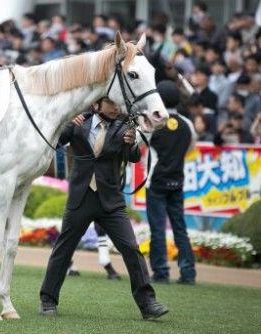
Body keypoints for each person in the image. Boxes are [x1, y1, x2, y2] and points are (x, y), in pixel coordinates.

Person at [40, 98, 168, 320]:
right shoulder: (79, 121)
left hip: (111, 202)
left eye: (118, 103)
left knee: (130, 247)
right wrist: (65, 122)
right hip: (80, 198)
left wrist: (131, 143)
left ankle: (148, 303)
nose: (116, 106)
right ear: (96, 104)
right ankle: (48, 300)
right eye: (110, 102)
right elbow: (54, 141)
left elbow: (134, 157)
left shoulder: (124, 125)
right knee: (64, 248)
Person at [146, 80, 197, 285]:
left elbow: (140, 146)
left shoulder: (153, 122)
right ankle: (188, 273)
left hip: (156, 182)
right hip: (177, 181)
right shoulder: (187, 124)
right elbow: (191, 148)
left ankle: (161, 272)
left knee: (157, 229)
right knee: (180, 227)